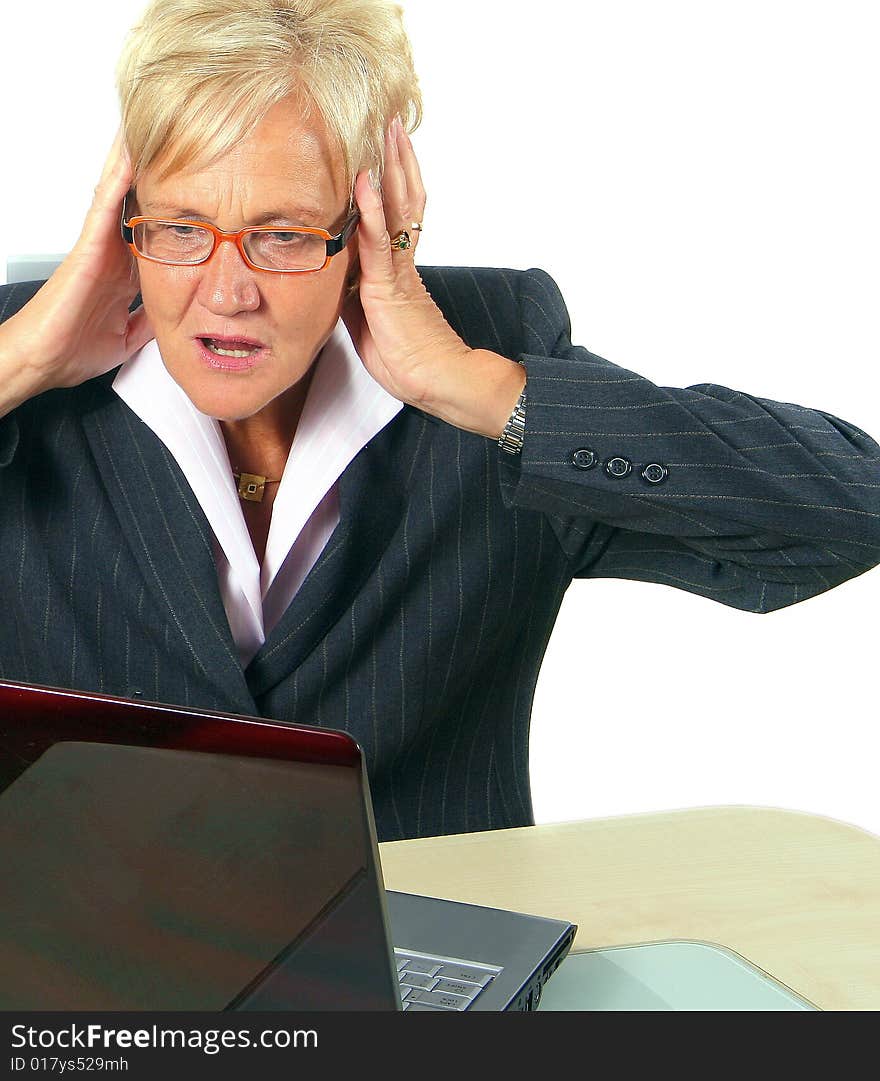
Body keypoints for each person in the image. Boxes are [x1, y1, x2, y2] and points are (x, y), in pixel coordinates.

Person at [1, 0, 878, 843]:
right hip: (90, 977)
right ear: (123, 217)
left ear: (374, 217)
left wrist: (477, 389)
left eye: (285, 235)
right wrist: (22, 361)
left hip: (427, 970)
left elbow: (848, 512)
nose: (227, 293)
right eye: (183, 225)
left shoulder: (492, 359)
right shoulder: (27, 379)